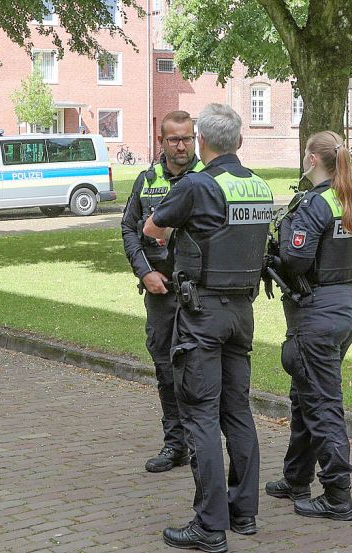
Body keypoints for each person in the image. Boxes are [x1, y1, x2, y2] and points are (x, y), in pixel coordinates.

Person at [145, 104, 269, 553]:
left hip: (203, 314)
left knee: (199, 414)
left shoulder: (198, 184)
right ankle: (245, 513)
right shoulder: (258, 184)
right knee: (237, 411)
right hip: (243, 313)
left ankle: (209, 526)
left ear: (203, 142)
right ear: (239, 140)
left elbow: (152, 228)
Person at [265, 131, 352, 522]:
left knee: (323, 400)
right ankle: (296, 477)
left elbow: (295, 258)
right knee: (306, 392)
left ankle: (337, 495)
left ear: (312, 159)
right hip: (349, 302)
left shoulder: (314, 203)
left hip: (319, 310)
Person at [121, 110, 205, 473]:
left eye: (187, 138)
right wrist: (145, 272)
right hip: (161, 292)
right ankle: (176, 445)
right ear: (162, 142)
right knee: (165, 369)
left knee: (200, 370)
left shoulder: (208, 179)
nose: (182, 145)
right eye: (174, 139)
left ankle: (202, 444)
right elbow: (128, 230)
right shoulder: (147, 180)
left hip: (201, 293)